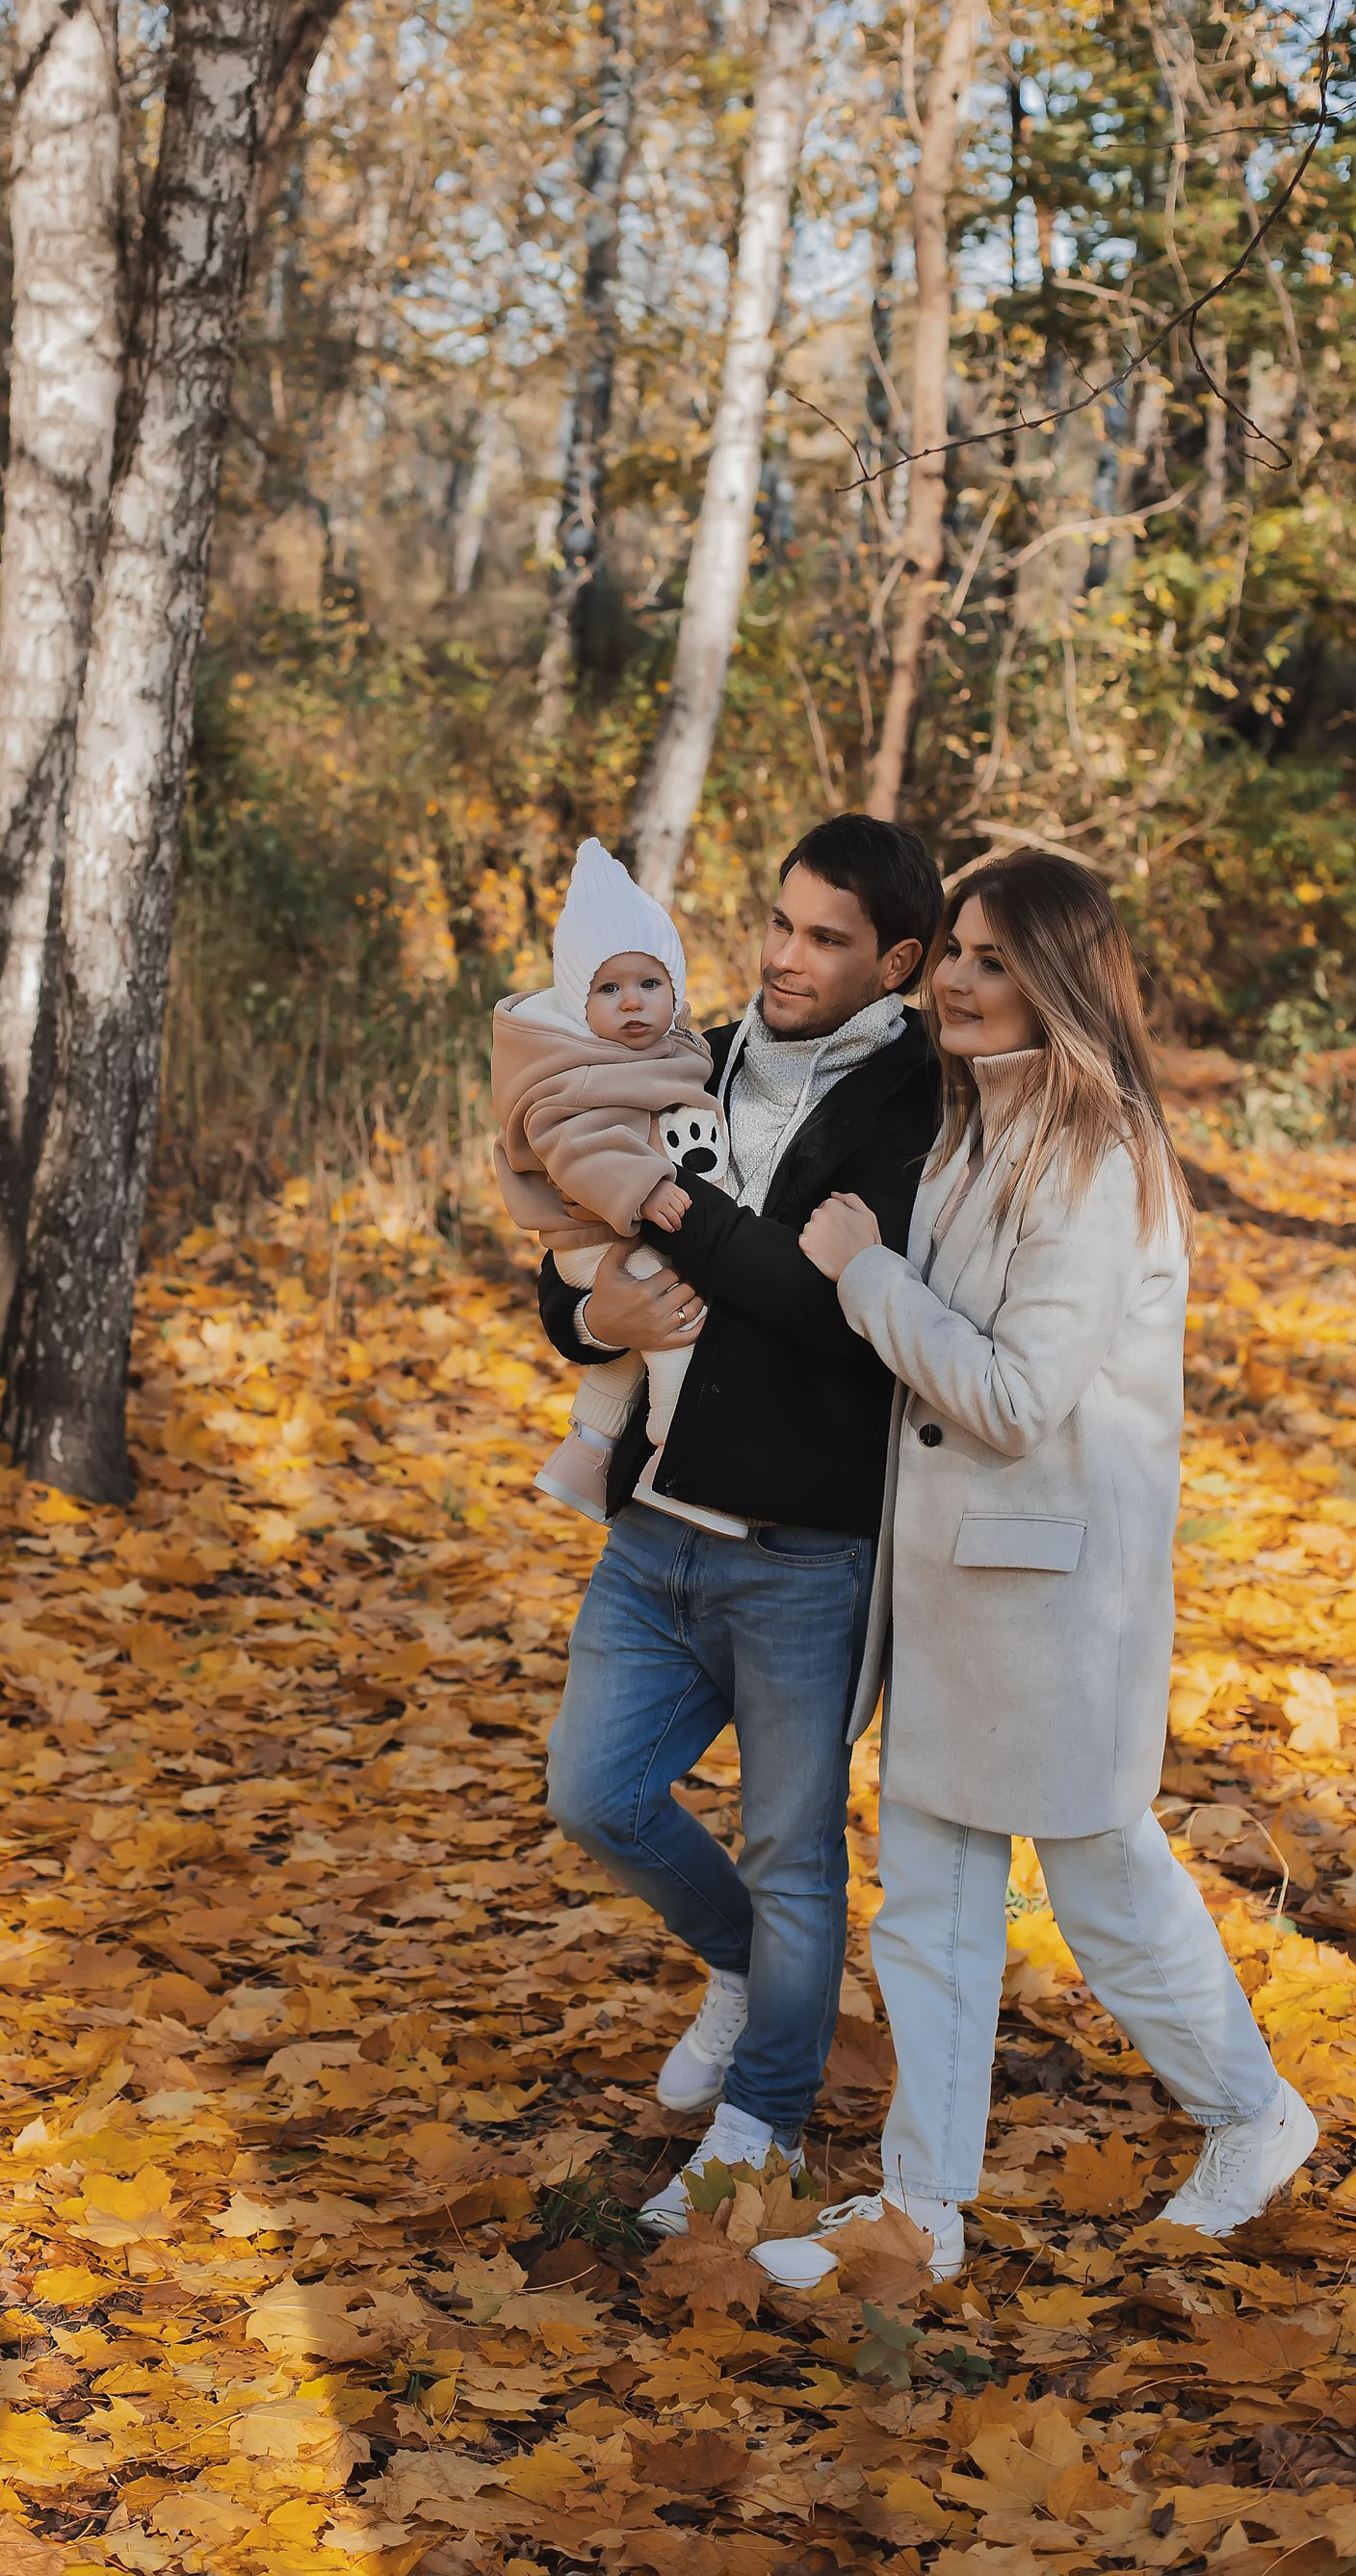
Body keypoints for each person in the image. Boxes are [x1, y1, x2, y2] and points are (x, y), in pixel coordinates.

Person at [755, 851, 1316, 2290]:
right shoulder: (979, 1126)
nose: (954, 977)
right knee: (932, 1915)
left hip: (1055, 1604)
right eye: (953, 950)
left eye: (994, 959)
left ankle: (1253, 2117)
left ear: (1062, 978)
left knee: (1107, 1890)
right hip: (956, 1589)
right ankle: (921, 2208)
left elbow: (1013, 1396)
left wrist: (864, 1274)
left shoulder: (1102, 1156)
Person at [537, 816, 946, 2233]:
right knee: (593, 1796)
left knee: (792, 1852)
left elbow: (838, 1311)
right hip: (653, 1530)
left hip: (806, 1553)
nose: (784, 956)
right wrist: (592, 1310)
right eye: (779, 923)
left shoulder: (920, 1107)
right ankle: (736, 1967)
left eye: (826, 938)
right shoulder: (683, 1054)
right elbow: (565, 1230)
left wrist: (670, 1207)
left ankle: (762, 2124)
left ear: (895, 961)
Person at [492, 840, 720, 1523]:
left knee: (627, 1352)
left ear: (675, 991)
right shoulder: (579, 1072)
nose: (631, 1005)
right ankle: (679, 1462)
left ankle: (587, 1450)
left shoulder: (661, 1053)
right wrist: (643, 1187)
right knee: (678, 1323)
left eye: (650, 985)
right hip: (601, 1227)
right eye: (608, 989)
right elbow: (576, 1142)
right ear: (577, 1001)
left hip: (603, 1232)